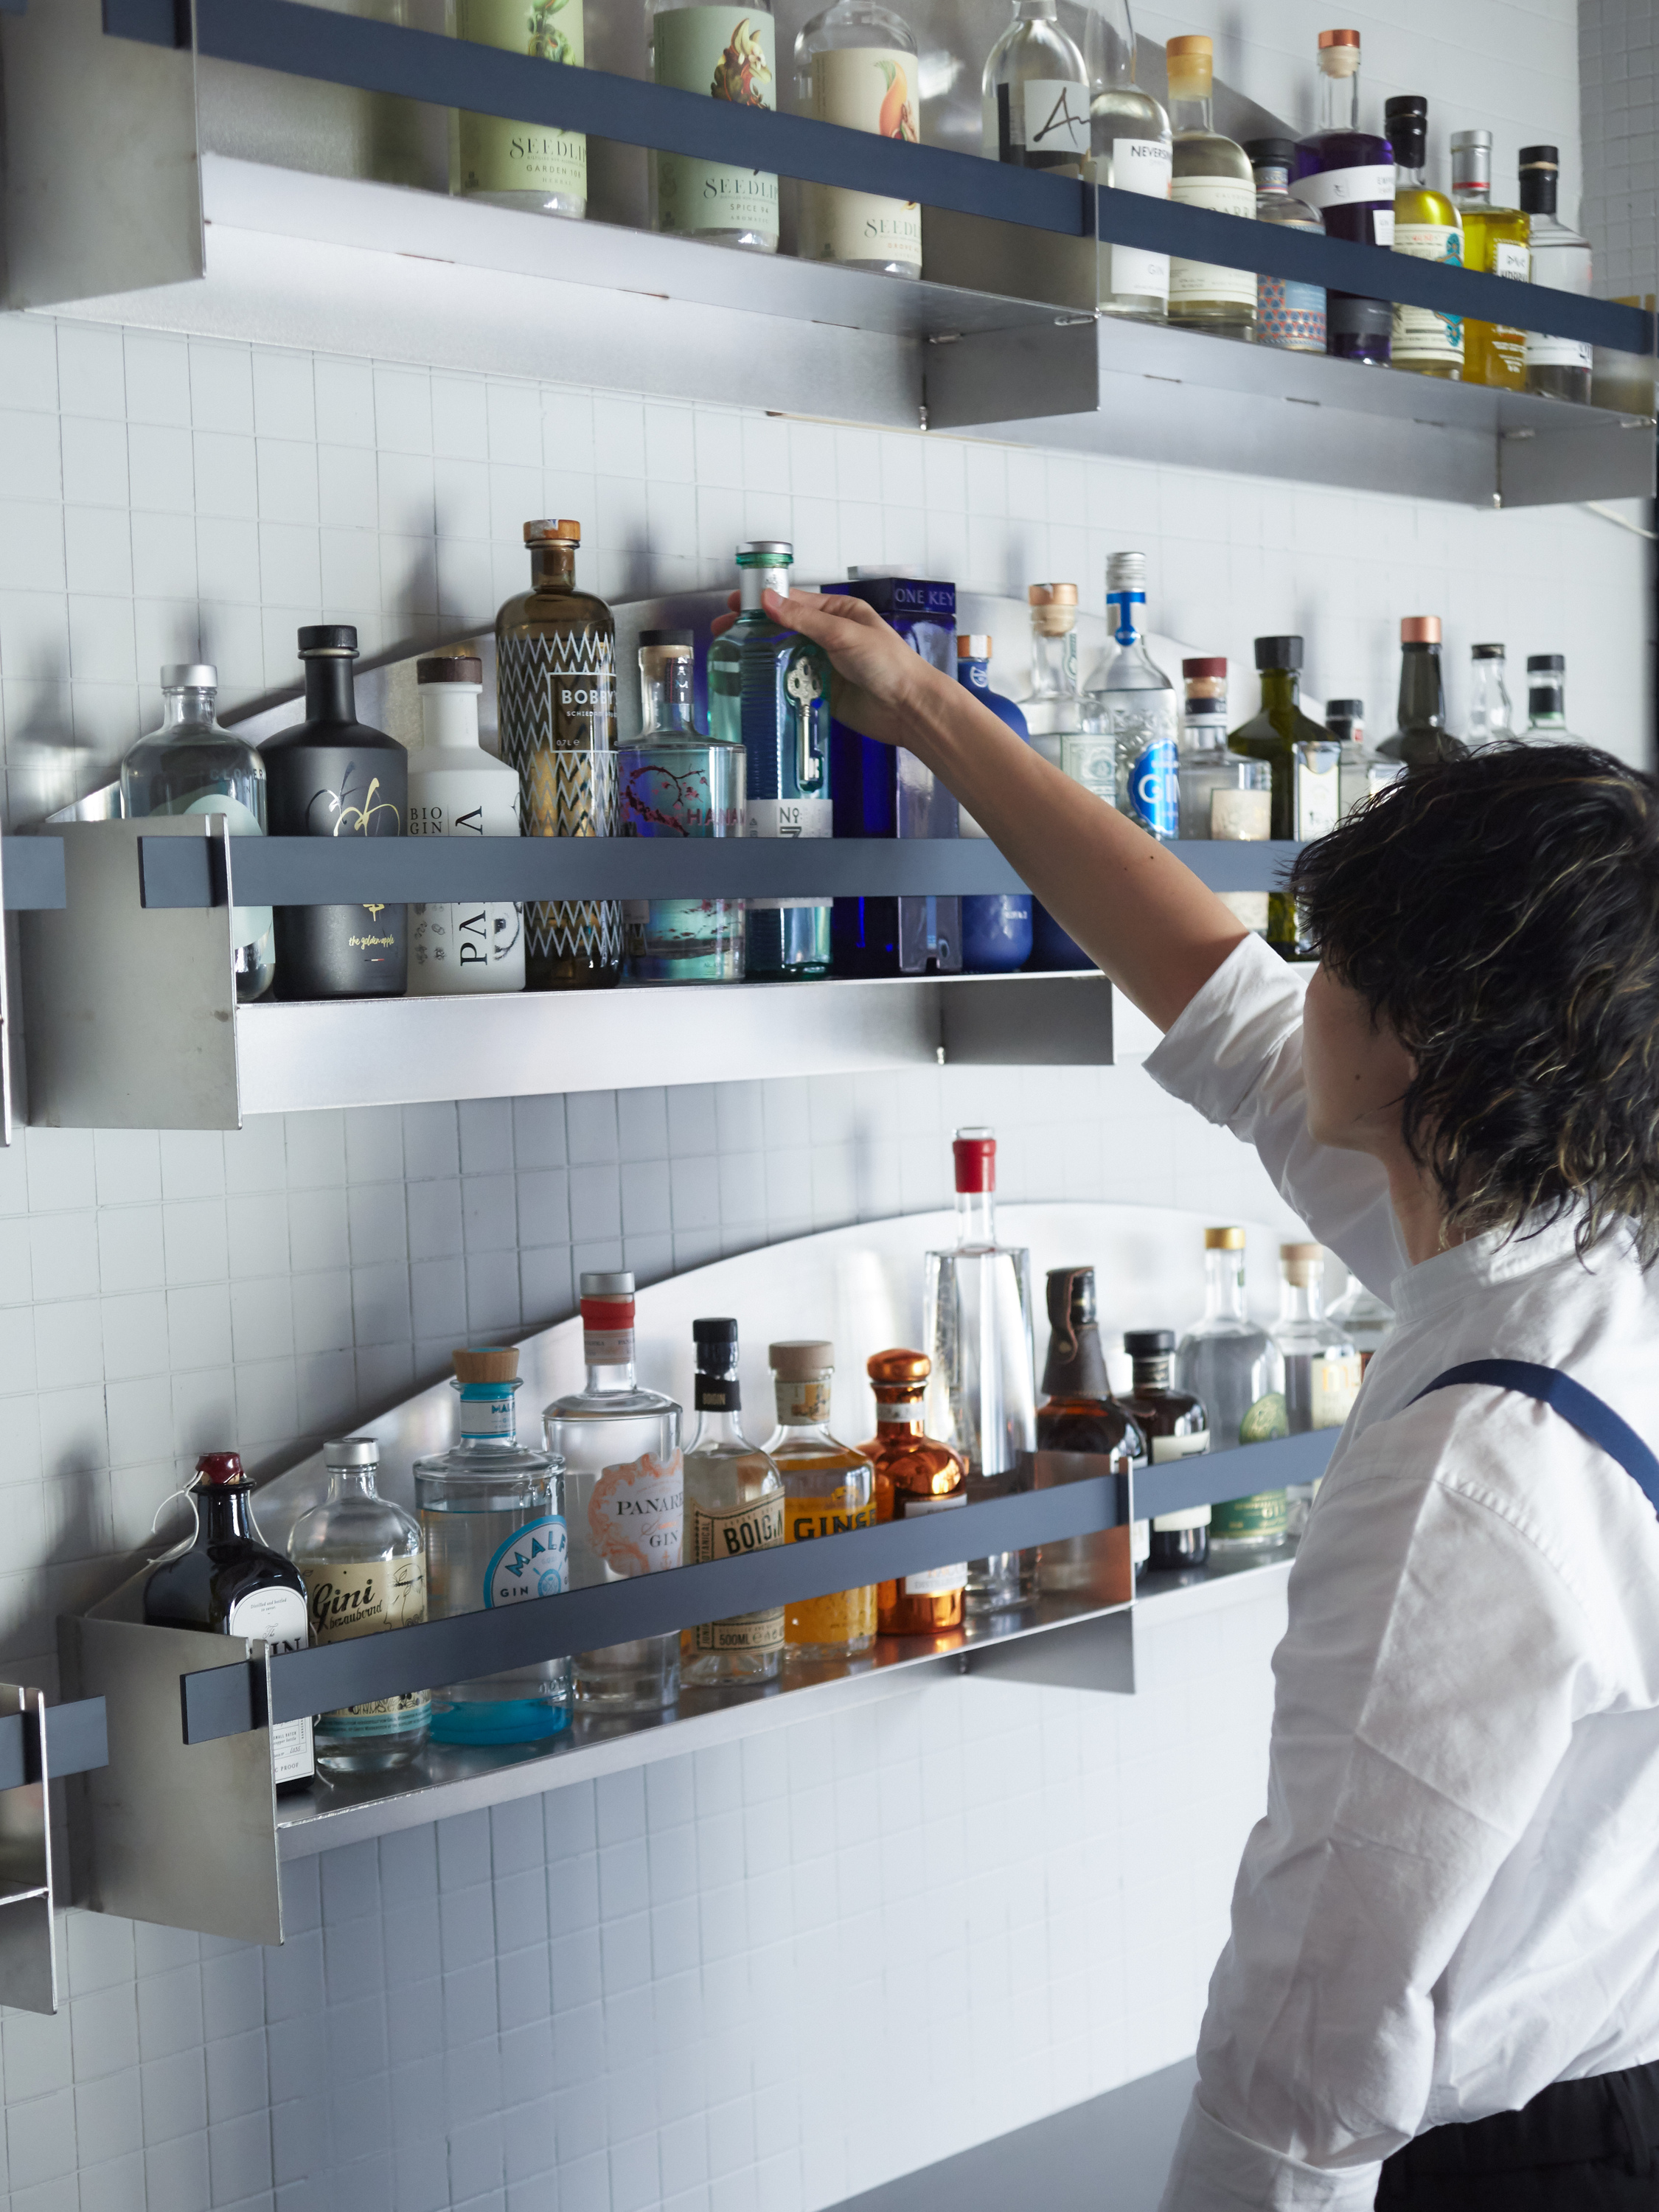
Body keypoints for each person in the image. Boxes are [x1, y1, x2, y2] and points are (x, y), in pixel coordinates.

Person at [742, 582, 1659, 2209]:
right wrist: (932, 710)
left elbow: (1319, 2021)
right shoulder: (1579, 1251)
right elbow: (1212, 986)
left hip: (1535, 2167)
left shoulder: (1468, 1471)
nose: (1300, 981)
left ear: (1425, 1041)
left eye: (1338, 959)